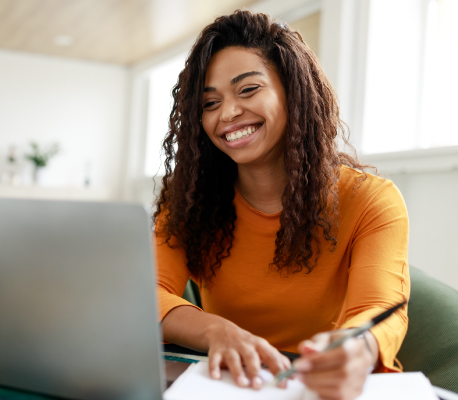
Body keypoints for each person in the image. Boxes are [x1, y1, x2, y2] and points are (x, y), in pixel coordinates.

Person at [153, 10, 409, 400]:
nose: (228, 114)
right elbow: (146, 293)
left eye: (248, 89)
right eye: (209, 103)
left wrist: (357, 349)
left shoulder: (371, 200)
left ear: (294, 90)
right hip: (227, 385)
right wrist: (216, 330)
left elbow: (379, 308)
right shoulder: (189, 200)